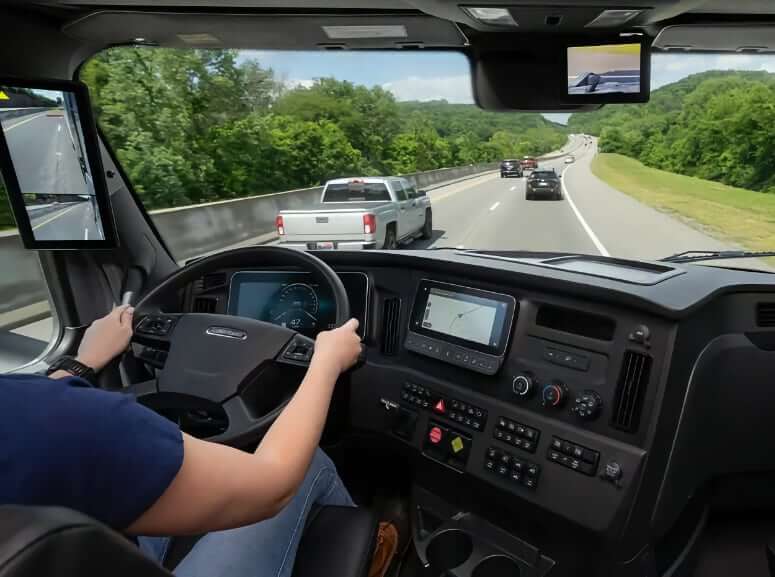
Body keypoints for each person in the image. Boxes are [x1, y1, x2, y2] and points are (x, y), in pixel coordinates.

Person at [0, 305, 397, 577]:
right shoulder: (64, 422)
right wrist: (326, 361)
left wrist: (78, 366)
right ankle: (371, 553)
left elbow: (31, 413)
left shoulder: (35, 418)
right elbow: (271, 483)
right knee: (304, 460)